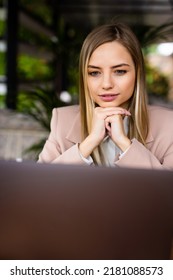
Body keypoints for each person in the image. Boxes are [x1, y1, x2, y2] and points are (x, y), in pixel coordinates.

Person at [38, 22, 173, 169]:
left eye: (120, 71)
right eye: (94, 73)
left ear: (138, 73)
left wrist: (124, 144)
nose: (106, 84)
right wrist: (88, 144)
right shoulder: (63, 120)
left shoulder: (168, 124)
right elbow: (38, 187)